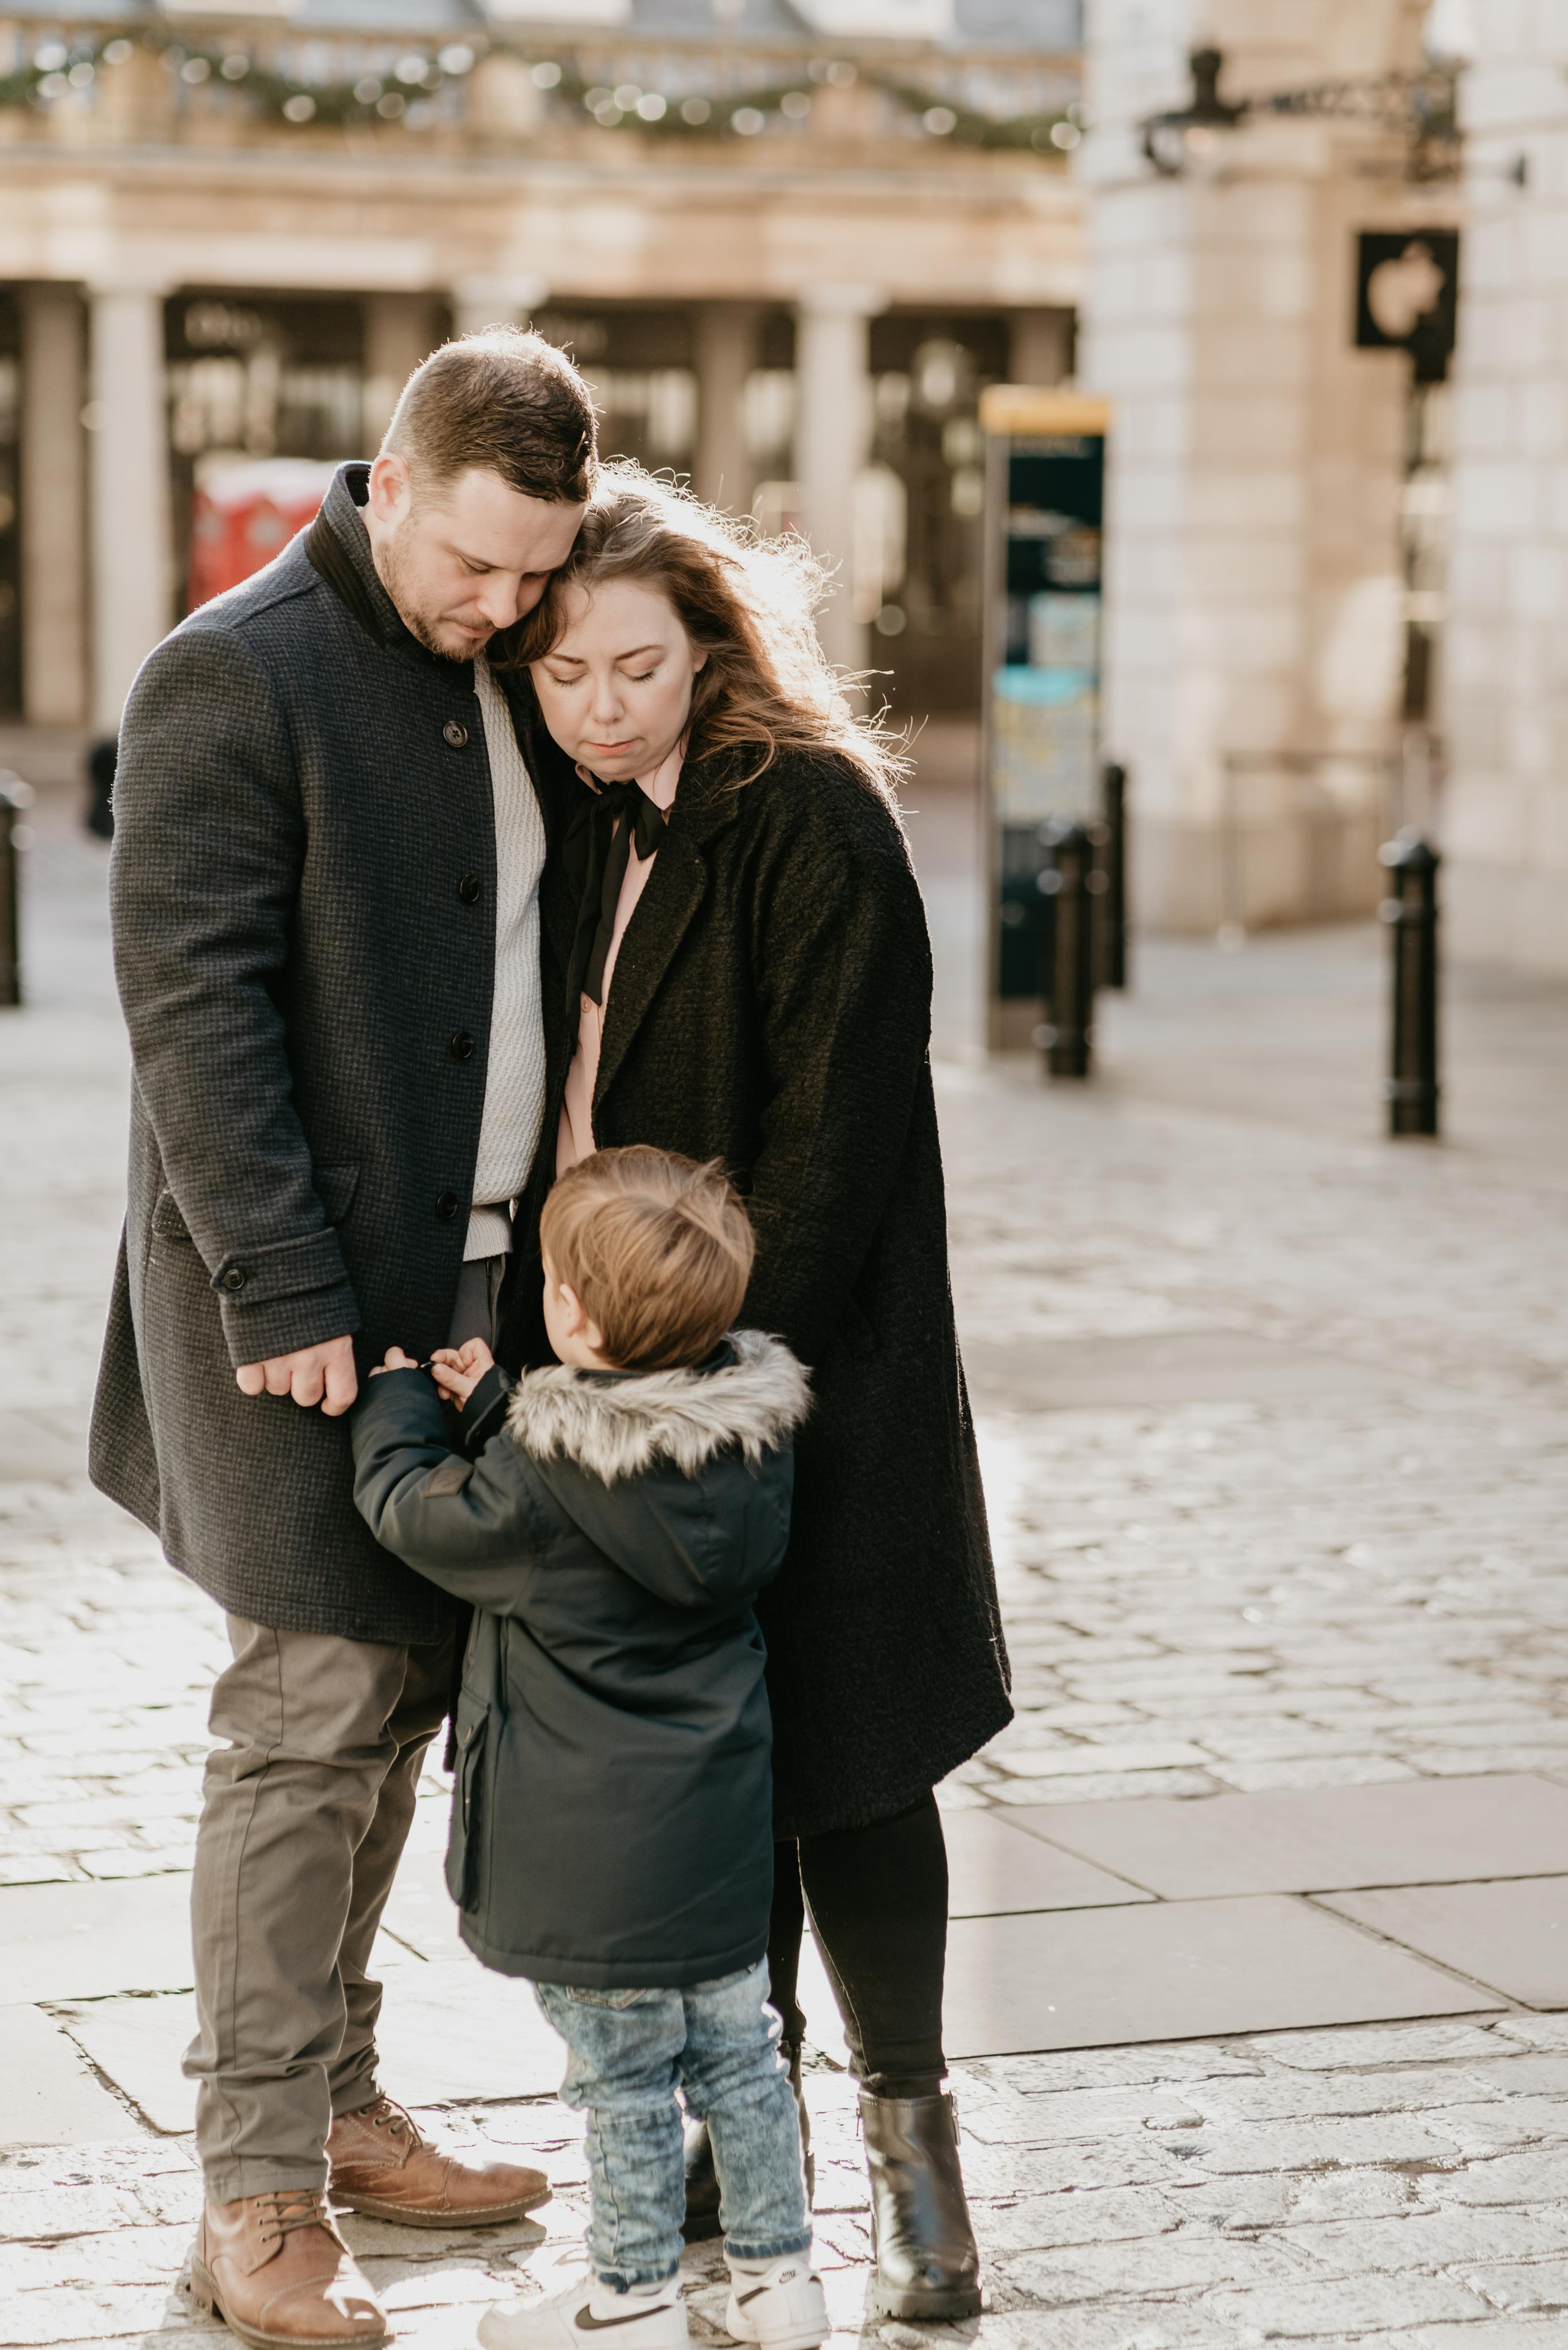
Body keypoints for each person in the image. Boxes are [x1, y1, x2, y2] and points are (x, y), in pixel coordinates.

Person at [90, 329, 597, 2350]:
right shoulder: (236, 666)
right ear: (388, 481)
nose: (506, 603)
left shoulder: (523, 655)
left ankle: (345, 2088)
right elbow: (194, 1011)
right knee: (304, 1716)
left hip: (482, 1304)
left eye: (538, 569)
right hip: (294, 1312)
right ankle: (252, 2183)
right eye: (477, 561)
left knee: (394, 1700)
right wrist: (289, 1292)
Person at [500, 468, 1014, 2322]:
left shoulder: (809, 815)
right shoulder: (575, 826)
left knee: (851, 1768)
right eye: (565, 676)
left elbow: (834, 1149)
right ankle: (749, 2140)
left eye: (638, 665)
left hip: (800, 1387)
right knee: (718, 1783)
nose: (603, 704)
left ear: (715, 649)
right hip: (628, 1378)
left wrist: (687, 1375)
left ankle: (918, 2166)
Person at [350, 1146, 822, 2350]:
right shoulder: (747, 1450)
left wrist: (404, 1406)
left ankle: (630, 2295)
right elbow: (627, 1480)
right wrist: (504, 1405)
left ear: (568, 1309)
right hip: (716, 1840)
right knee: (739, 2057)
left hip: (591, 1861)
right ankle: (780, 2282)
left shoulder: (536, 1480)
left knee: (619, 2083)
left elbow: (420, 1515)